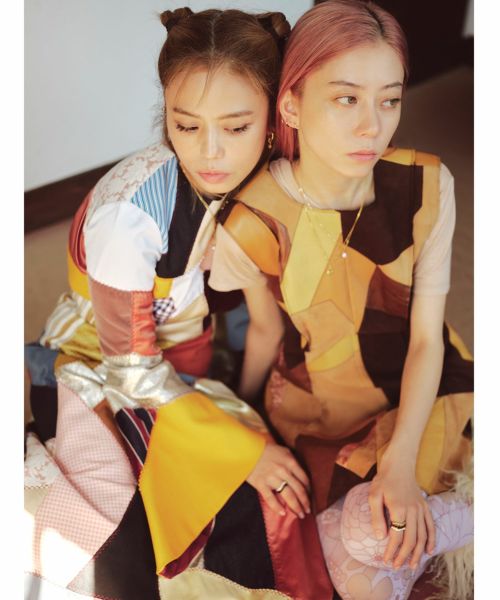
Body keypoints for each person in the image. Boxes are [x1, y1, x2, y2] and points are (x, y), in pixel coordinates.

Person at [24, 8, 331, 600]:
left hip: (195, 348)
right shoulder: (131, 215)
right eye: (185, 125)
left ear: (273, 119)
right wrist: (243, 449)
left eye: (236, 127)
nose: (210, 152)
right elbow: (132, 370)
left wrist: (247, 412)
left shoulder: (269, 175)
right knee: (131, 534)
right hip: (101, 365)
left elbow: (268, 319)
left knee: (299, 467)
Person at [209, 1, 473, 599]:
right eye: (347, 98)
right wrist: (241, 426)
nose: (372, 127)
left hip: (419, 384)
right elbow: (265, 332)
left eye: (390, 100)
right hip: (315, 408)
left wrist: (400, 463)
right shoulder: (250, 220)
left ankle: (460, 518)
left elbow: (427, 339)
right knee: (354, 554)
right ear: (291, 105)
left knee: (383, 532)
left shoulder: (428, 185)